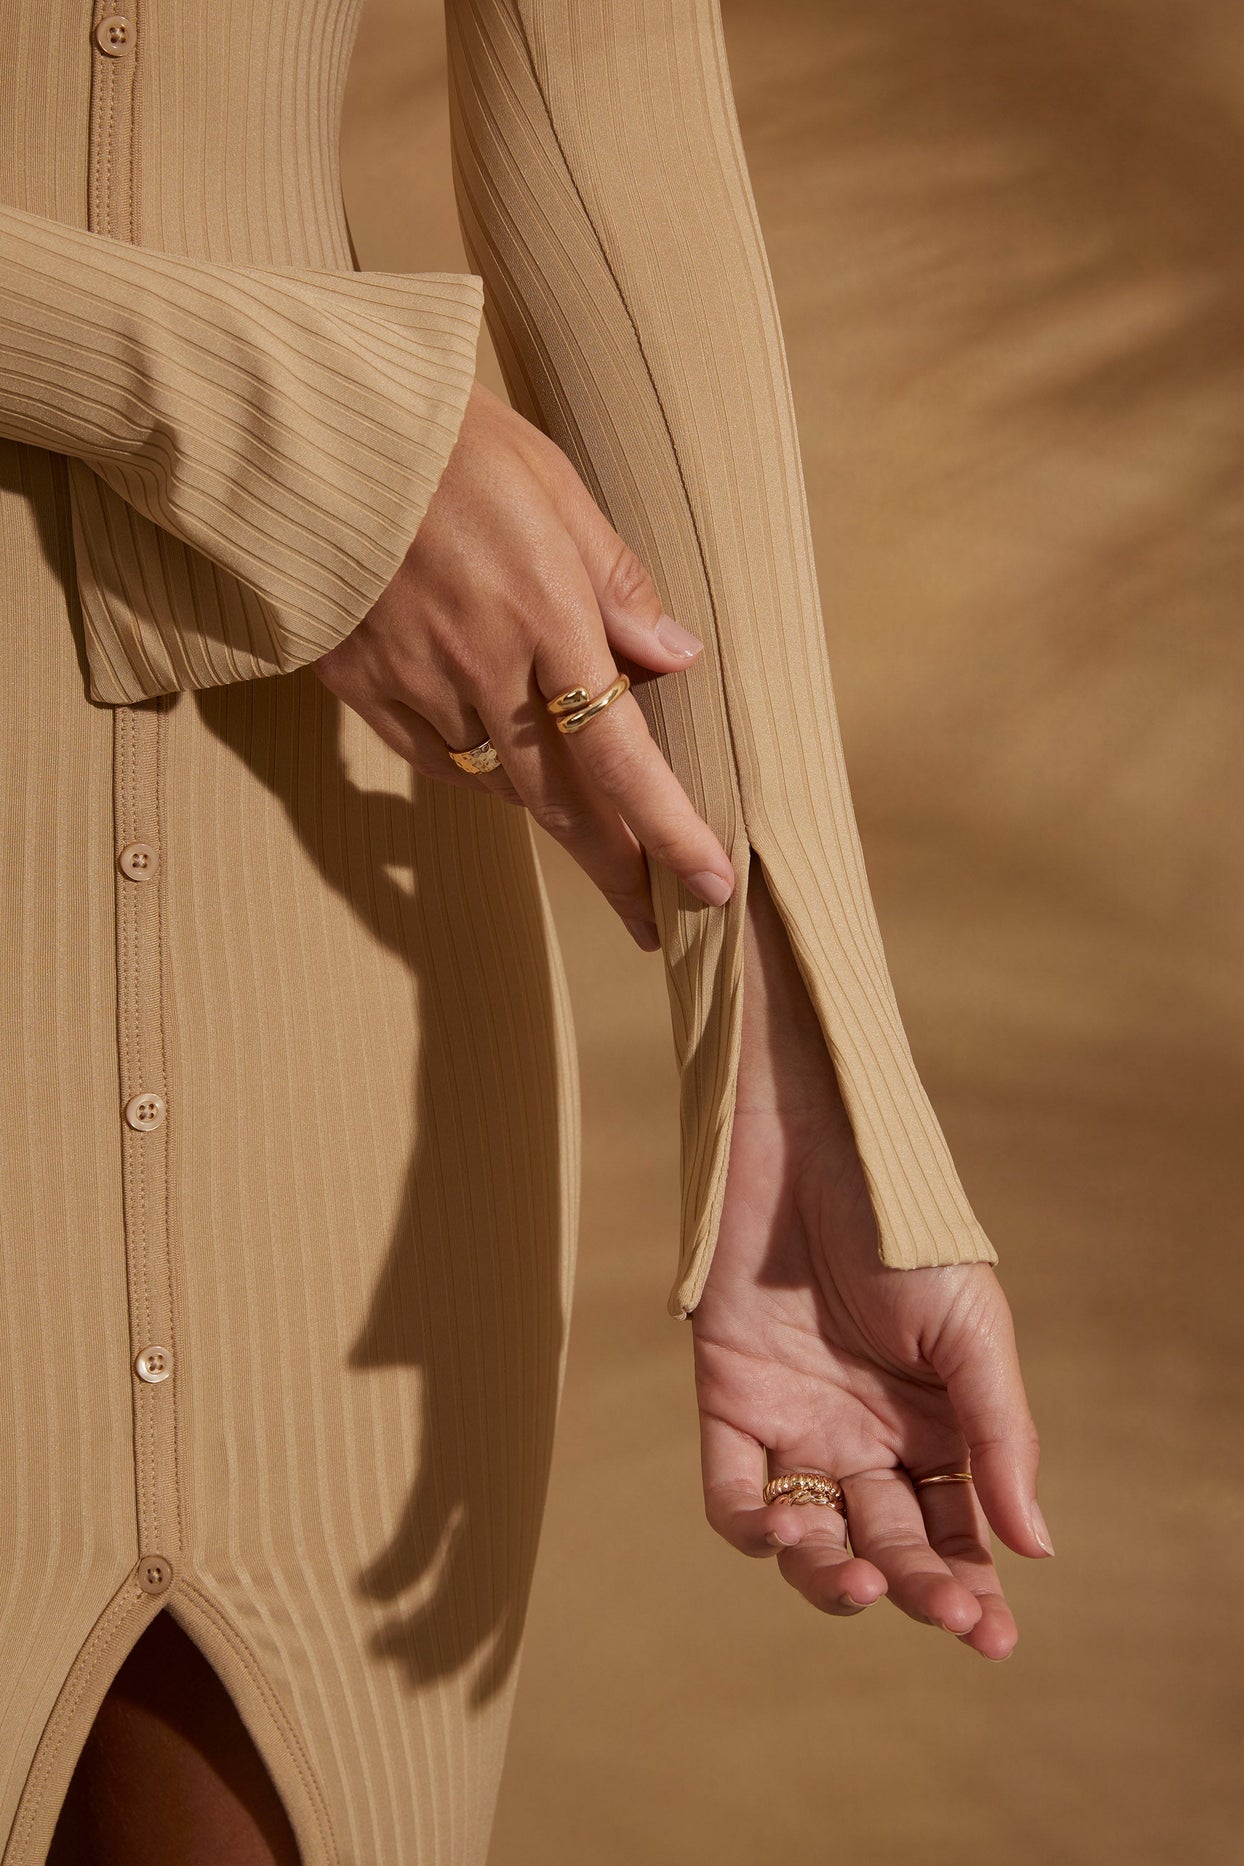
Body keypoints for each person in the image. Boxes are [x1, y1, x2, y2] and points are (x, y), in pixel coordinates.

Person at [0, 0, 1050, 1859]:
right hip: (337, 530)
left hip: (302, 921)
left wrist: (797, 1067)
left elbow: (615, 115)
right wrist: (272, 415)